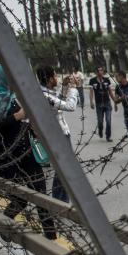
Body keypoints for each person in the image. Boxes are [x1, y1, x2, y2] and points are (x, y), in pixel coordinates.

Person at [0, 64, 55, 240]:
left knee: (42, 196)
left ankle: (51, 238)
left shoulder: (11, 97)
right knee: (20, 198)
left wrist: (29, 126)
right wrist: (17, 117)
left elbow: (20, 121)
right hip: (7, 156)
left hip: (26, 152)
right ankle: (5, 227)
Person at [38, 65, 80, 205]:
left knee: (63, 170)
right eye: (55, 76)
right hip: (58, 136)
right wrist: (73, 88)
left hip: (60, 134)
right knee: (64, 170)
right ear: (49, 79)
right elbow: (69, 106)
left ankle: (61, 201)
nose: (57, 78)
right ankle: (59, 202)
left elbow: (58, 102)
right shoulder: (44, 95)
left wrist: (64, 85)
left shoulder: (47, 92)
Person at [88, 65, 116, 141]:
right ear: (96, 72)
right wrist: (91, 102)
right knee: (100, 122)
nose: (100, 72)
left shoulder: (107, 80)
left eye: (101, 70)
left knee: (108, 120)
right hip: (99, 104)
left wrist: (115, 102)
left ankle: (108, 136)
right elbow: (91, 92)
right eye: (99, 71)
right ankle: (100, 130)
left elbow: (110, 91)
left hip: (107, 103)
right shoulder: (92, 81)